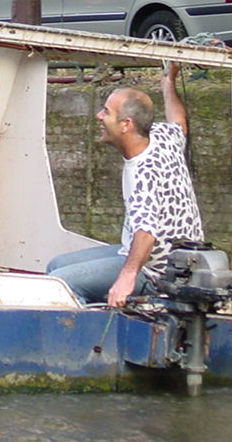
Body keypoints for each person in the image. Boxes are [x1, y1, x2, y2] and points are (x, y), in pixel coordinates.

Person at [46, 62, 203, 306]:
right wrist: (168, 83)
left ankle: (90, 326)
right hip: (177, 258)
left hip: (157, 272)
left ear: (126, 124)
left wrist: (126, 278)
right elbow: (179, 123)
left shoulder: (143, 173)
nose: (99, 116)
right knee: (55, 265)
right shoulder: (162, 136)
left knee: (59, 283)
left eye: (106, 112)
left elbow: (146, 233)